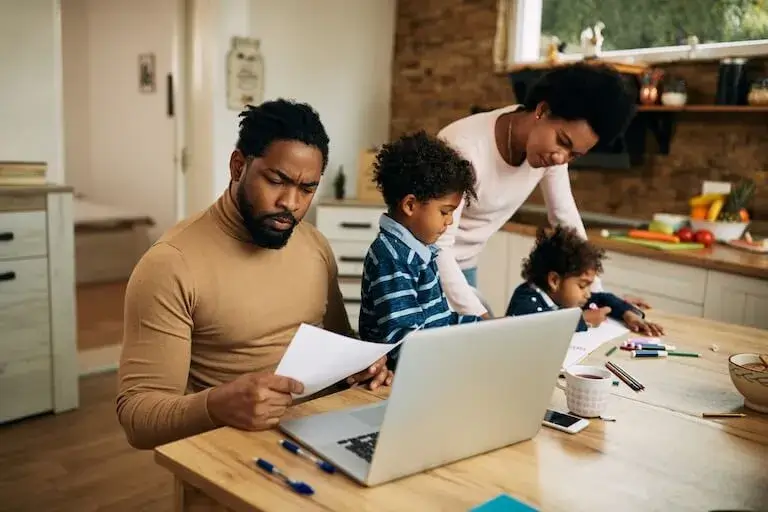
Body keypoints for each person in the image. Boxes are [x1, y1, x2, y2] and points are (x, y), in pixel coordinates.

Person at [116, 99, 391, 450]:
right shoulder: (170, 265)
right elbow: (138, 418)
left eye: (307, 189)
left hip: (328, 434)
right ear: (237, 166)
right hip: (239, 452)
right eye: (277, 180)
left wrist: (363, 365)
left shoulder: (315, 245)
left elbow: (340, 343)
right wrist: (216, 405)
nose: (291, 203)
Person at [435, 62, 649, 318]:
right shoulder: (464, 148)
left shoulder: (550, 155)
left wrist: (594, 294)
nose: (561, 158)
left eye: (574, 154)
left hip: (464, 269)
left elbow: (565, 219)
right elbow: (438, 246)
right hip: (422, 270)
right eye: (563, 142)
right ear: (542, 110)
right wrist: (483, 319)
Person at [358, 131, 483, 369]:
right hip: (402, 380)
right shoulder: (392, 258)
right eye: (445, 212)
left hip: (428, 364)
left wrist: (481, 326)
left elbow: (438, 323)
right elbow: (405, 342)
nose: (449, 222)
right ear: (410, 205)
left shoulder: (418, 251)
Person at [506, 225, 664, 336]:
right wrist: (583, 319)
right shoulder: (525, 298)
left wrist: (628, 315)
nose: (587, 294)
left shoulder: (566, 298)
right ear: (554, 280)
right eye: (582, 286)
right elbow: (534, 327)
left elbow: (603, 298)